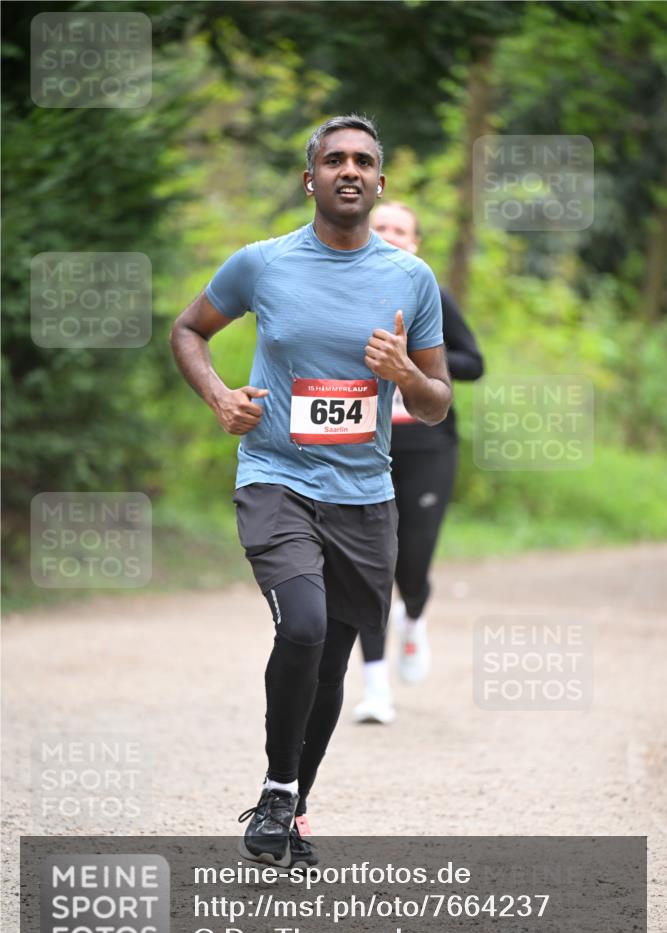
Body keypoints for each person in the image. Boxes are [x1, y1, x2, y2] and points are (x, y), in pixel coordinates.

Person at [170, 115, 451, 867]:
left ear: (379, 182)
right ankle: (275, 793)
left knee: (331, 662)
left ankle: (287, 798)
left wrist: (403, 375)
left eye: (363, 160)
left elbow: (436, 402)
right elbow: (188, 331)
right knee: (302, 625)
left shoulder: (409, 279)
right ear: (311, 179)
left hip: (365, 494)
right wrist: (219, 397)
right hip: (277, 477)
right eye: (334, 160)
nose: (348, 170)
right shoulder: (262, 264)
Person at [354, 202, 484, 725]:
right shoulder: (348, 292)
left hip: (428, 448)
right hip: (363, 446)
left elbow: (475, 363)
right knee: (368, 568)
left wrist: (418, 361)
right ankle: (375, 688)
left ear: (415, 242)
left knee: (411, 564)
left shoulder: (431, 294)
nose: (387, 235)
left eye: (399, 230)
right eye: (379, 226)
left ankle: (413, 617)